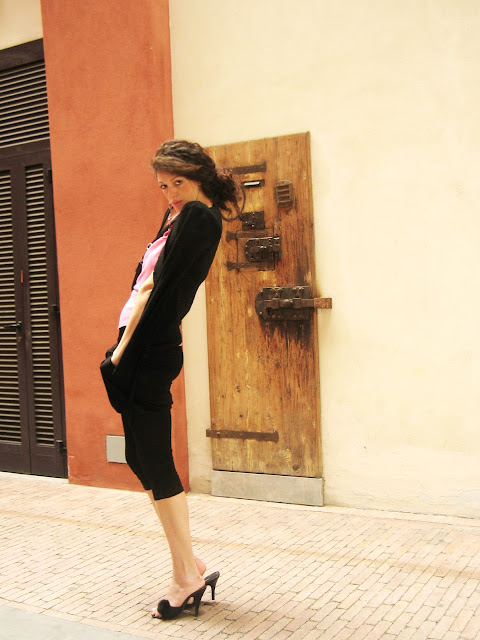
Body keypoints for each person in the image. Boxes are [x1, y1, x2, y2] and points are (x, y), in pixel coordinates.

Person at [100, 140, 240, 620]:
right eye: (163, 186)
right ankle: (189, 564)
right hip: (140, 344)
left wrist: (122, 353)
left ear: (199, 177)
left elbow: (156, 292)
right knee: (140, 456)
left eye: (178, 182)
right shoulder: (178, 216)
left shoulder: (198, 217)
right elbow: (143, 286)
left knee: (154, 459)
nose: (171, 193)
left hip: (148, 349)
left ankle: (186, 577)